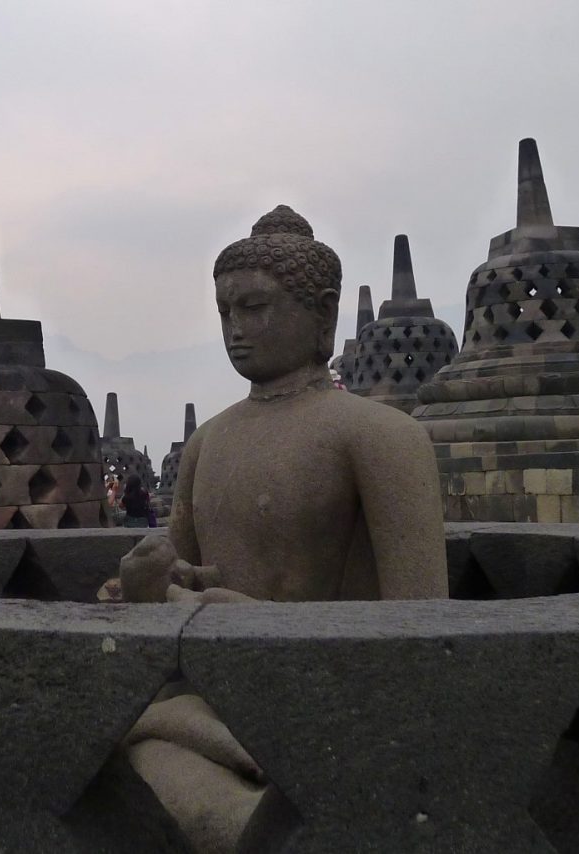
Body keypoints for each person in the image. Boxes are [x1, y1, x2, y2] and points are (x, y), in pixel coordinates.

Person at [119, 206, 448, 851]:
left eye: (255, 308)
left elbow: (423, 631)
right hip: (213, 710)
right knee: (129, 748)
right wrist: (145, 584)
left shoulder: (381, 438)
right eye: (223, 313)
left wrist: (244, 615)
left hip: (334, 699)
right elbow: (170, 605)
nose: (234, 330)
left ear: (324, 314)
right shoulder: (206, 444)